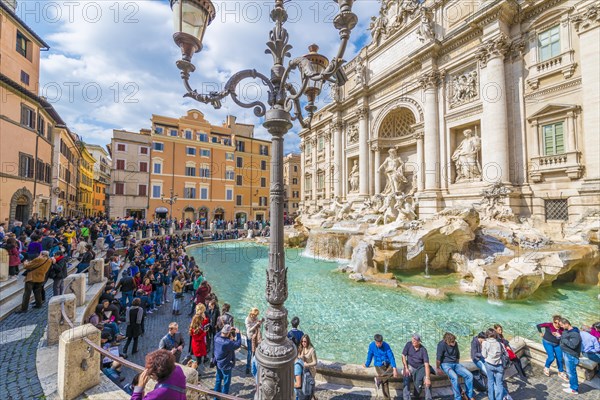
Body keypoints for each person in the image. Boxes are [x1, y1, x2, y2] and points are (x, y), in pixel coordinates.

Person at [436, 332, 474, 400]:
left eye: (454, 341)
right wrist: (438, 368)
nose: (454, 343)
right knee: (455, 377)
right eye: (452, 342)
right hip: (445, 364)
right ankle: (458, 398)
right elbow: (438, 358)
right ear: (447, 341)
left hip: (455, 364)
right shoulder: (441, 344)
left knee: (469, 375)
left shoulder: (455, 343)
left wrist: (457, 367)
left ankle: (469, 396)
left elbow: (457, 356)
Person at [364, 333, 398, 399]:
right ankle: (387, 399)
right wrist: (366, 364)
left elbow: (391, 356)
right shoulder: (371, 346)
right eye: (377, 343)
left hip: (388, 363)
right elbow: (369, 355)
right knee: (385, 382)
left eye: (380, 343)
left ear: (382, 341)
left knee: (393, 369)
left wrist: (394, 367)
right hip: (379, 365)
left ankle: (379, 379)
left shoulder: (386, 345)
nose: (379, 344)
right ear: (375, 342)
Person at [401, 334, 433, 400]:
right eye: (412, 340)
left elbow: (426, 364)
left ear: (419, 342)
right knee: (406, 377)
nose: (413, 342)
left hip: (420, 368)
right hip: (410, 366)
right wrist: (406, 368)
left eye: (414, 341)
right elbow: (403, 355)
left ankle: (428, 398)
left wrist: (427, 377)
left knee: (427, 382)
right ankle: (406, 398)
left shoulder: (423, 350)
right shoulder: (408, 344)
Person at [213, 324, 242, 398]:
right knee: (226, 382)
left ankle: (216, 398)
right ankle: (223, 397)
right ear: (228, 333)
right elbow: (238, 344)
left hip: (218, 362)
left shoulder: (216, 338)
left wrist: (225, 329)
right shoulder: (227, 342)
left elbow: (219, 333)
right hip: (226, 365)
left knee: (218, 380)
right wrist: (238, 334)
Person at [536, 315, 567, 379]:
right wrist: (540, 333)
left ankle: (561, 372)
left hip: (557, 344)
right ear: (553, 321)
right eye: (555, 322)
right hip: (547, 343)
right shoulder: (549, 325)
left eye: (558, 323)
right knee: (551, 357)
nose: (557, 324)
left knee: (560, 358)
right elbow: (538, 325)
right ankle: (546, 368)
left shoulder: (562, 328)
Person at [559, 318, 582, 395]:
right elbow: (564, 338)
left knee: (571, 372)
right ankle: (571, 384)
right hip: (566, 353)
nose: (561, 327)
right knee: (569, 372)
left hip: (571, 355)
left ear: (566, 324)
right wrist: (560, 336)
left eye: (562, 325)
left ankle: (574, 389)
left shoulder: (575, 334)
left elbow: (573, 345)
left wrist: (563, 339)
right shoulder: (567, 330)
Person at [481, 328, 505, 400]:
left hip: (489, 365)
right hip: (499, 365)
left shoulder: (485, 343)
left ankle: (491, 398)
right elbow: (503, 353)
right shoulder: (500, 344)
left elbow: (484, 355)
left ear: (487, 335)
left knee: (490, 382)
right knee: (499, 384)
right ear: (495, 335)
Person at [245, 307, 264, 375]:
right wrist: (256, 324)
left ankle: (254, 366)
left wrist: (261, 322)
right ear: (252, 314)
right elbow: (249, 329)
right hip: (250, 337)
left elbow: (258, 325)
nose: (256, 316)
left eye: (257, 315)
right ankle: (248, 367)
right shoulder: (247, 319)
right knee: (250, 352)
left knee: (255, 352)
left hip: (255, 337)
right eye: (255, 315)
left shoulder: (256, 318)